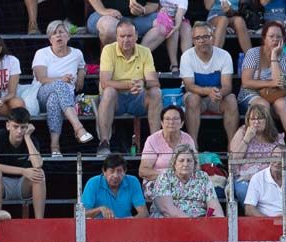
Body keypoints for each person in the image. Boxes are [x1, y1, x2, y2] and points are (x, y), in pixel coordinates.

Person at [95, 19, 161, 155]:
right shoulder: (108, 50)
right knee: (108, 92)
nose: (126, 40)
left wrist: (143, 83)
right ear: (116, 37)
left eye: (129, 36)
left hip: (137, 98)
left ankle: (155, 144)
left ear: (136, 36)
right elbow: (104, 82)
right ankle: (104, 143)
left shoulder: (145, 51)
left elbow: (154, 82)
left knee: (156, 93)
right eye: (122, 36)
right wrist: (130, 84)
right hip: (116, 100)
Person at [237, 21, 286, 152]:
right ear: (264, 38)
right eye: (271, 36)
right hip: (251, 92)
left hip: (275, 93)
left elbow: (280, 82)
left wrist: (274, 57)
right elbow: (246, 82)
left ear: (284, 40)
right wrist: (270, 83)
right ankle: (264, 146)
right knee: (262, 105)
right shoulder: (253, 53)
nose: (275, 40)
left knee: (283, 104)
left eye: (279, 37)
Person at [33, 19, 93, 155]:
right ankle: (78, 128)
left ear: (68, 36)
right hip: (42, 94)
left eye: (61, 32)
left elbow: (83, 66)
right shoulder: (42, 53)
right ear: (50, 39)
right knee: (60, 86)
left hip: (65, 99)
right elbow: (42, 79)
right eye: (54, 33)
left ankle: (55, 147)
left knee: (54, 100)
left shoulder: (77, 53)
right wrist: (61, 79)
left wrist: (81, 75)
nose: (58, 36)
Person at [180, 20, 239, 144]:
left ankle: (232, 145)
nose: (202, 41)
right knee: (192, 99)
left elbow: (227, 86)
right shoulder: (187, 56)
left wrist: (219, 93)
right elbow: (189, 86)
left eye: (205, 36)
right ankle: (193, 145)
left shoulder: (224, 55)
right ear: (193, 40)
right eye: (197, 38)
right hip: (196, 98)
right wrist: (208, 91)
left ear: (212, 37)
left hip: (216, 99)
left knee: (231, 99)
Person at [0, 107, 47, 219]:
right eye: (16, 127)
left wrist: (27, 137)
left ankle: (39, 221)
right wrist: (23, 171)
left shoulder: (31, 139)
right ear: (8, 125)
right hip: (2, 184)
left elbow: (38, 164)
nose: (19, 131)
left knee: (40, 173)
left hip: (22, 185)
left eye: (23, 127)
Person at [228, 102, 285, 204]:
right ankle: (252, 216)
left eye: (260, 118)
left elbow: (283, 159)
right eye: (253, 119)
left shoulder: (276, 136)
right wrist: (246, 139)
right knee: (242, 190)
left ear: (267, 120)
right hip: (245, 177)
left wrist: (259, 176)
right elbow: (234, 159)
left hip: (270, 177)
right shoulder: (242, 132)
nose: (256, 122)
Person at [151, 145, 223, 218]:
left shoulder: (203, 177)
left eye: (189, 161)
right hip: (170, 221)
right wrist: (191, 223)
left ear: (194, 164)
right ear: (174, 163)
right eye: (181, 160)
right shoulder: (165, 176)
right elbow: (167, 209)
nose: (185, 164)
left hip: (200, 222)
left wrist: (215, 221)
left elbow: (214, 207)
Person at [244, 144, 286, 217]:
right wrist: (269, 221)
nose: (278, 162)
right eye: (275, 157)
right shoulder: (257, 178)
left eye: (283, 158)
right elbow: (249, 209)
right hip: (265, 223)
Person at [139, 105, 195, 193]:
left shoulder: (187, 139)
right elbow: (143, 171)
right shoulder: (152, 140)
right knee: (171, 190)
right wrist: (171, 176)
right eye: (167, 119)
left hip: (184, 181)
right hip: (157, 181)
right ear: (162, 123)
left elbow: (195, 166)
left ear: (182, 123)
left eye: (175, 119)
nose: (171, 122)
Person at [82, 153, 148, 218]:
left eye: (119, 171)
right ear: (104, 171)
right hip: (99, 227)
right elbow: (82, 213)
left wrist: (128, 222)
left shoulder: (133, 182)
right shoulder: (93, 183)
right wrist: (100, 209)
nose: (115, 175)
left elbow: (144, 213)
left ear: (125, 171)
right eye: (111, 171)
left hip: (126, 226)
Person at [155, 0, 190, 70]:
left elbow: (179, 15)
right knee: (174, 31)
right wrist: (159, 10)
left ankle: (187, 62)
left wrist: (177, 26)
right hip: (161, 18)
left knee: (187, 29)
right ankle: (174, 64)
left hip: (177, 18)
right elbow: (153, 6)